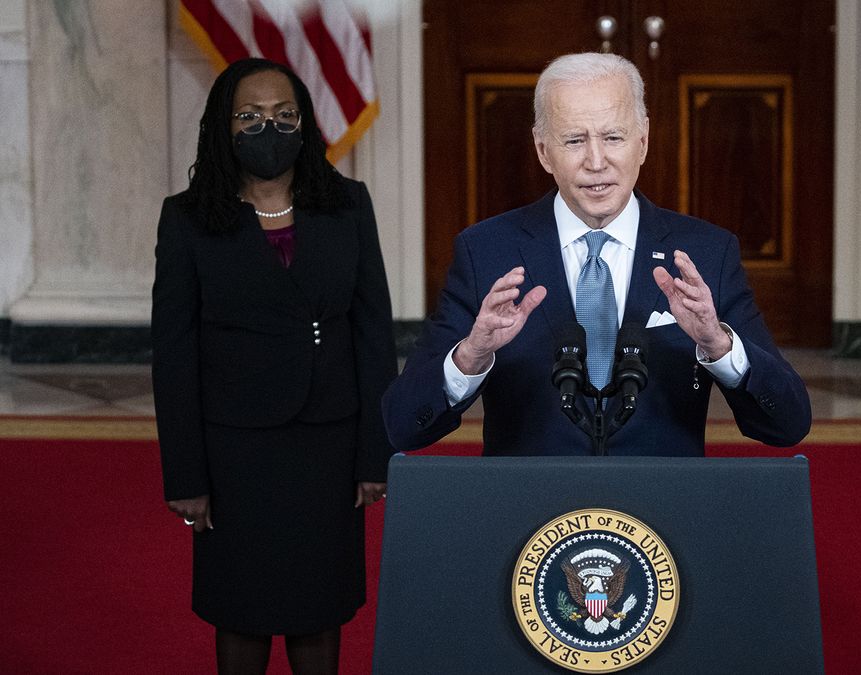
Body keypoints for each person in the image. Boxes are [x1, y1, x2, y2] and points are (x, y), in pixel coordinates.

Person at [383, 52, 810, 455]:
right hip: (535, 520)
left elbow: (788, 424)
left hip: (657, 518)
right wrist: (470, 357)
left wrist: (719, 345)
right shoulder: (487, 252)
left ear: (642, 142)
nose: (596, 161)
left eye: (613, 137)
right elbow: (403, 425)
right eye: (574, 140)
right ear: (542, 150)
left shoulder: (705, 253)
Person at [153, 58, 397, 674]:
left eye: (285, 116)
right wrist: (187, 475)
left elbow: (373, 334)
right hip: (236, 450)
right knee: (242, 612)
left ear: (305, 124)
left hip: (328, 443)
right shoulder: (187, 220)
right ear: (222, 128)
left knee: (319, 609)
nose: (271, 128)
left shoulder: (347, 205)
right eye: (251, 117)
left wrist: (376, 454)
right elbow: (174, 355)